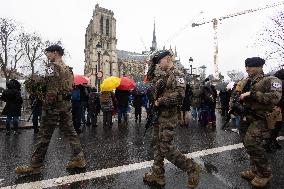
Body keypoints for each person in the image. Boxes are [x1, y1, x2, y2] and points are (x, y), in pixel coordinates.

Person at [15, 44, 86, 175]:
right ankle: (79, 159)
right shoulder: (69, 70)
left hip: (54, 105)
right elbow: (70, 87)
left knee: (44, 135)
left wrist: (46, 105)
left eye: (48, 53)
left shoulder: (52, 67)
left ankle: (35, 165)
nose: (47, 56)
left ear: (55, 53)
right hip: (65, 104)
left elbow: (52, 89)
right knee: (71, 133)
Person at [143, 50, 200, 188]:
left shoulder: (177, 74)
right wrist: (152, 63)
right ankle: (158, 175)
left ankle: (192, 168)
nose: (158, 65)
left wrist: (160, 101)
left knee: (165, 148)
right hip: (158, 116)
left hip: (168, 117)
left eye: (159, 61)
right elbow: (149, 78)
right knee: (156, 146)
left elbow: (180, 95)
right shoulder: (163, 75)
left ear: (168, 59)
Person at [238, 57, 282, 188]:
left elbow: (275, 98)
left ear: (260, 67)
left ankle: (265, 174)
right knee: (248, 144)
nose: (247, 69)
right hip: (247, 117)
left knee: (253, 144)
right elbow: (239, 96)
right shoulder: (246, 81)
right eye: (246, 66)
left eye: (251, 66)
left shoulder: (271, 80)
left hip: (262, 118)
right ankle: (255, 171)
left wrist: (251, 94)